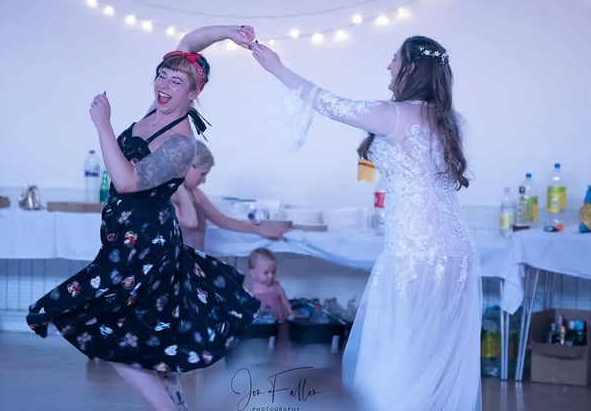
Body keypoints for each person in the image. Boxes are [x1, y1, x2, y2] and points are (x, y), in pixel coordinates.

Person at [26, 25, 261, 411]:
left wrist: (102, 124)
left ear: (194, 93)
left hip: (146, 249)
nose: (164, 84)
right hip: (122, 242)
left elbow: (127, 179)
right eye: (162, 75)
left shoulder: (182, 142)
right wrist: (228, 33)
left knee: (114, 334)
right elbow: (188, 44)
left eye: (176, 81)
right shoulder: (157, 110)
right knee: (149, 336)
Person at [250, 36, 482, 410]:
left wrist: (276, 67)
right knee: (433, 350)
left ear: (409, 68)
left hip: (416, 252)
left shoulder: (394, 114)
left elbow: (327, 102)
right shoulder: (451, 120)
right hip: (455, 249)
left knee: (400, 346)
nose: (388, 66)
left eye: (393, 59)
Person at [170, 140, 291, 252]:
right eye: (202, 174)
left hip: (195, 263)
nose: (204, 181)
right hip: (176, 267)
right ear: (188, 166)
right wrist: (179, 183)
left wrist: (260, 230)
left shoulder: (195, 194)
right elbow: (191, 222)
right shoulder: (166, 196)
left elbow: (224, 221)